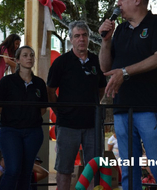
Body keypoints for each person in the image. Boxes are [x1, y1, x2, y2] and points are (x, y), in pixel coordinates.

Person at [98, 0, 157, 189]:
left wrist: (125, 73)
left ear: (136, 0)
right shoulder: (121, 30)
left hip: (149, 107)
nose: (118, 3)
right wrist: (105, 42)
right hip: (122, 107)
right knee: (128, 168)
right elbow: (106, 68)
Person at [47, 20, 107, 190]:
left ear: (88, 38)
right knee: (64, 169)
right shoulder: (61, 62)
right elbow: (50, 90)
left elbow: (101, 89)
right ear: (71, 39)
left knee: (95, 168)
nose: (81, 39)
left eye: (84, 35)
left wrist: (94, 105)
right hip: (67, 125)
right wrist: (60, 111)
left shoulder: (97, 61)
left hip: (92, 125)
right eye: (77, 36)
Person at [0, 46, 48, 190]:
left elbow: (42, 109)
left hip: (33, 132)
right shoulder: (7, 81)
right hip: (10, 130)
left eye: (31, 55)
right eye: (25, 55)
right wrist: (14, 114)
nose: (29, 58)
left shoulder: (39, 83)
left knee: (26, 172)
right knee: (13, 169)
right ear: (17, 60)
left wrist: (29, 115)